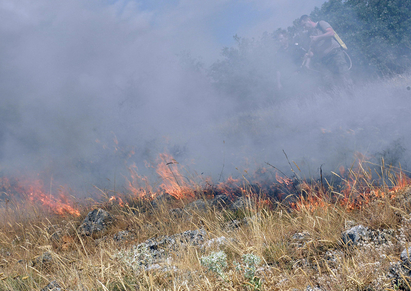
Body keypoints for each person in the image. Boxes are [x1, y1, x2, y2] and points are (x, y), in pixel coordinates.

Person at [299, 15, 352, 90]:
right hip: (324, 60)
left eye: (304, 25)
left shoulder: (321, 24)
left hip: (335, 53)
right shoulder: (309, 35)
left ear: (309, 20)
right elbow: (312, 50)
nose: (304, 28)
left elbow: (331, 33)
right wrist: (308, 56)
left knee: (344, 75)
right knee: (330, 81)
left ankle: (351, 93)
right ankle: (339, 96)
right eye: (302, 26)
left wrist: (317, 38)